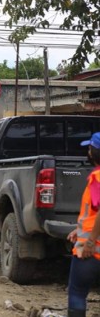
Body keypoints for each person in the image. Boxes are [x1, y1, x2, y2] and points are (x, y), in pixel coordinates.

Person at [67, 132, 100, 317]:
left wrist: (89, 241)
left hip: (92, 250)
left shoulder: (97, 178)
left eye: (90, 148)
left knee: (77, 293)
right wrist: (78, 229)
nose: (87, 151)